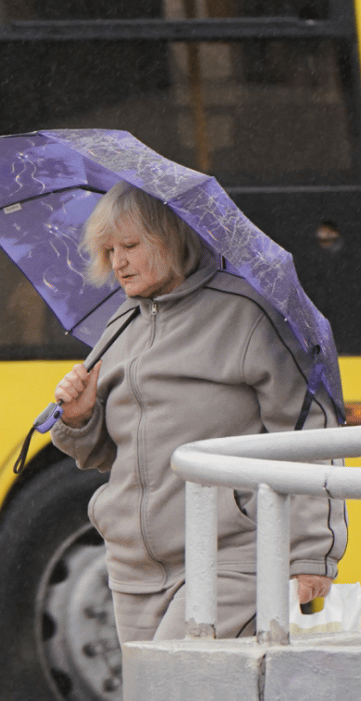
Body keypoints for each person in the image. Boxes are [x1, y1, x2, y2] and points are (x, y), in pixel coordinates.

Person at [50, 181, 347, 643]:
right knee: (152, 694)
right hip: (132, 570)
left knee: (176, 683)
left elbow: (309, 428)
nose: (117, 263)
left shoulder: (246, 313)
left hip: (228, 559)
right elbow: (105, 455)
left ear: (171, 238)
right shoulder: (121, 325)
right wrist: (79, 417)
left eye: (130, 246)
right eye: (108, 251)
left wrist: (311, 554)